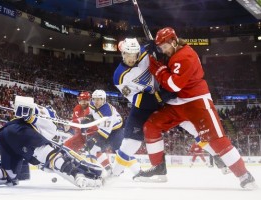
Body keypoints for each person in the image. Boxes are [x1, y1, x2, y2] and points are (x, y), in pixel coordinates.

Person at [136, 27, 257, 189]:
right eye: (161, 48)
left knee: (217, 139)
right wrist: (151, 52)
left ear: (173, 41)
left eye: (164, 47)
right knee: (151, 126)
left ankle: (244, 175)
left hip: (197, 102)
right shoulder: (174, 53)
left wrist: (157, 68)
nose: (163, 51)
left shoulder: (186, 56)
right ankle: (159, 169)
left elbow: (173, 84)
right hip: (177, 103)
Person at [0, 96, 104, 189]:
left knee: (12, 175)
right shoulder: (47, 114)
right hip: (19, 131)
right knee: (49, 154)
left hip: (2, 136)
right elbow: (34, 114)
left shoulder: (43, 122)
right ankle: (77, 174)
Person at [112, 38, 175, 181]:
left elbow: (163, 51)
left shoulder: (145, 50)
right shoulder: (119, 77)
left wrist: (157, 47)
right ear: (123, 54)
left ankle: (218, 156)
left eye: (135, 54)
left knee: (187, 119)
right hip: (145, 105)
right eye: (128, 54)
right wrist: (160, 98)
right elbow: (137, 100)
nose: (132, 58)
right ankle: (114, 174)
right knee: (130, 142)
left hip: (165, 91)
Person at [81, 89, 124, 175]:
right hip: (106, 129)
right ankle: (92, 171)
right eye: (94, 99)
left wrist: (93, 139)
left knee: (121, 152)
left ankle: (136, 170)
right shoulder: (92, 104)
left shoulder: (107, 113)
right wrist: (88, 119)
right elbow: (93, 114)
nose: (96, 101)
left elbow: (104, 133)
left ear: (103, 100)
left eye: (98, 99)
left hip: (116, 131)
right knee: (92, 149)